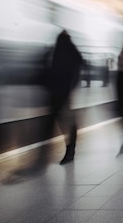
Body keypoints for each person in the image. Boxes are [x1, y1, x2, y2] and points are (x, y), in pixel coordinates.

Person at [45, 30, 83, 165]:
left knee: (64, 122)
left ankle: (70, 151)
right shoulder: (72, 54)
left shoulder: (59, 52)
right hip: (63, 94)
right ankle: (70, 150)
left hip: (60, 94)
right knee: (67, 123)